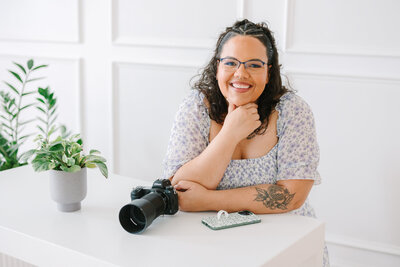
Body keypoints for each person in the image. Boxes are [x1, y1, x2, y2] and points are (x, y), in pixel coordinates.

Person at [162, 19, 329, 266]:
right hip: (210, 242)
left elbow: (292, 196)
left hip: (285, 241)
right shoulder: (196, 106)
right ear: (217, 66)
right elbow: (179, 187)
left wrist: (207, 200)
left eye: (254, 64)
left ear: (269, 71)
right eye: (230, 63)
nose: (241, 73)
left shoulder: (293, 111)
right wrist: (230, 133)